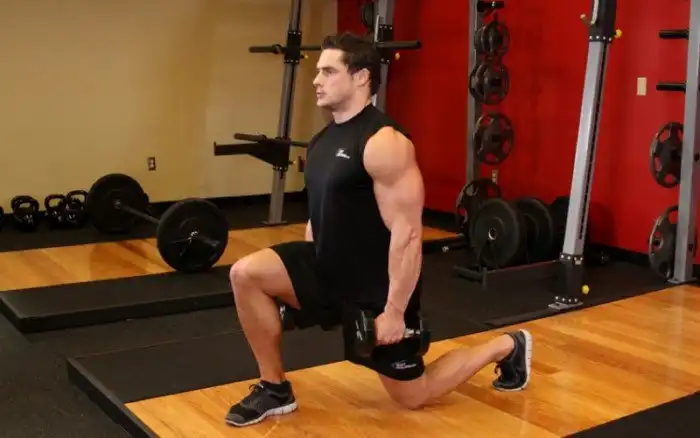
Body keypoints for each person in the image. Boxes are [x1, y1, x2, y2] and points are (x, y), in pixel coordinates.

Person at [225, 32, 533, 428]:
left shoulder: (384, 142)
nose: (316, 80)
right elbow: (321, 213)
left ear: (361, 77)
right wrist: (303, 290)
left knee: (413, 396)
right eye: (318, 71)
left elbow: (408, 235)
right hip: (328, 268)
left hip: (376, 288)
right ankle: (275, 389)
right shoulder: (321, 141)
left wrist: (394, 312)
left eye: (329, 71)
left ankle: (506, 345)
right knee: (245, 274)